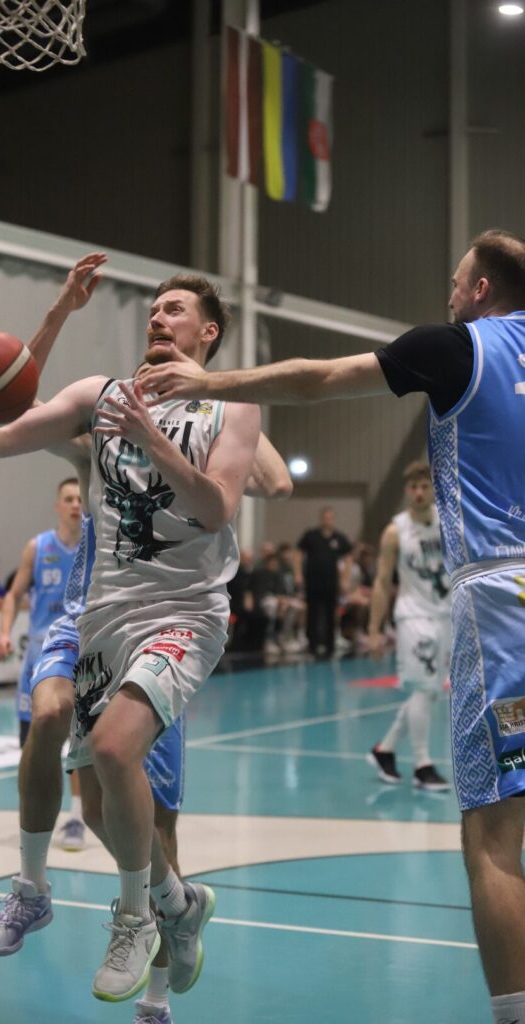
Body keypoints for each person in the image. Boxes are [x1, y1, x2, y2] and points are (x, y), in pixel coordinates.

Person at [139, 228, 525, 1024]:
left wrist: (208, 381)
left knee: (493, 838)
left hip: (500, 597)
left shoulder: (456, 347)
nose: (450, 294)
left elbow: (318, 379)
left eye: (457, 282)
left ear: (481, 290)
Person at [0, 253, 262, 1005]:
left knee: (113, 749)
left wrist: (153, 438)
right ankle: (178, 903)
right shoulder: (99, 396)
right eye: (154, 308)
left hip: (184, 611)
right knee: (100, 806)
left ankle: (136, 919)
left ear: (208, 332)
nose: (158, 316)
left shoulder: (232, 406)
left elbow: (216, 510)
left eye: (176, 309)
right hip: (103, 616)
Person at [0, 477, 86, 850]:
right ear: (57, 505)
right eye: (68, 498)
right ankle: (35, 821)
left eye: (80, 498)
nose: (76, 504)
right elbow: (14, 593)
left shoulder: (96, 545)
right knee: (33, 744)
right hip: (38, 655)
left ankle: (76, 818)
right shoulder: (38, 547)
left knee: (79, 740)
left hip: (80, 653)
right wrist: (5, 632)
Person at [367, 461, 451, 791]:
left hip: (444, 615)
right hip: (413, 617)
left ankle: (385, 750)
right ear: (406, 491)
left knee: (428, 692)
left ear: (433, 489)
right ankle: (422, 764)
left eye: (425, 486)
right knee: (423, 689)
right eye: (413, 487)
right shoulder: (395, 531)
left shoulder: (448, 522)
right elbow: (381, 582)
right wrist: (374, 630)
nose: (419, 493)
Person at [296, 507, 352, 658]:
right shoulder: (311, 536)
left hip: (331, 582)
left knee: (330, 613)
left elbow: (348, 557)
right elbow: (298, 553)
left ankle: (330, 645)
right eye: (325, 517)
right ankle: (312, 645)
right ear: (321, 518)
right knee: (312, 613)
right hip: (313, 581)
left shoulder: (339, 538)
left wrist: (345, 579)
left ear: (333, 519)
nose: (327, 520)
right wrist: (298, 573)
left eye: (330, 518)